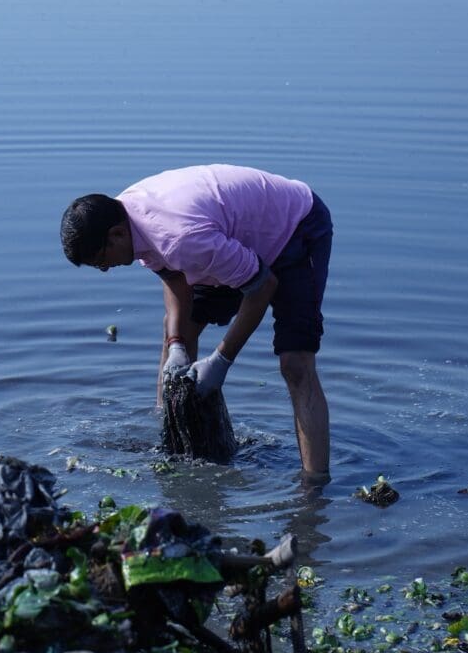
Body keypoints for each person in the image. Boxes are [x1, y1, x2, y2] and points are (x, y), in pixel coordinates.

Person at [60, 164, 333, 477]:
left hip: (294, 229)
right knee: (177, 331)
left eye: (101, 262)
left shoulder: (179, 238)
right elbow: (175, 279)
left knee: (295, 365)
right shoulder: (122, 213)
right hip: (229, 241)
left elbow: (262, 286)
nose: (105, 270)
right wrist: (176, 343)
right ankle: (171, 435)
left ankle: (314, 491)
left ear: (116, 235)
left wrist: (221, 360)